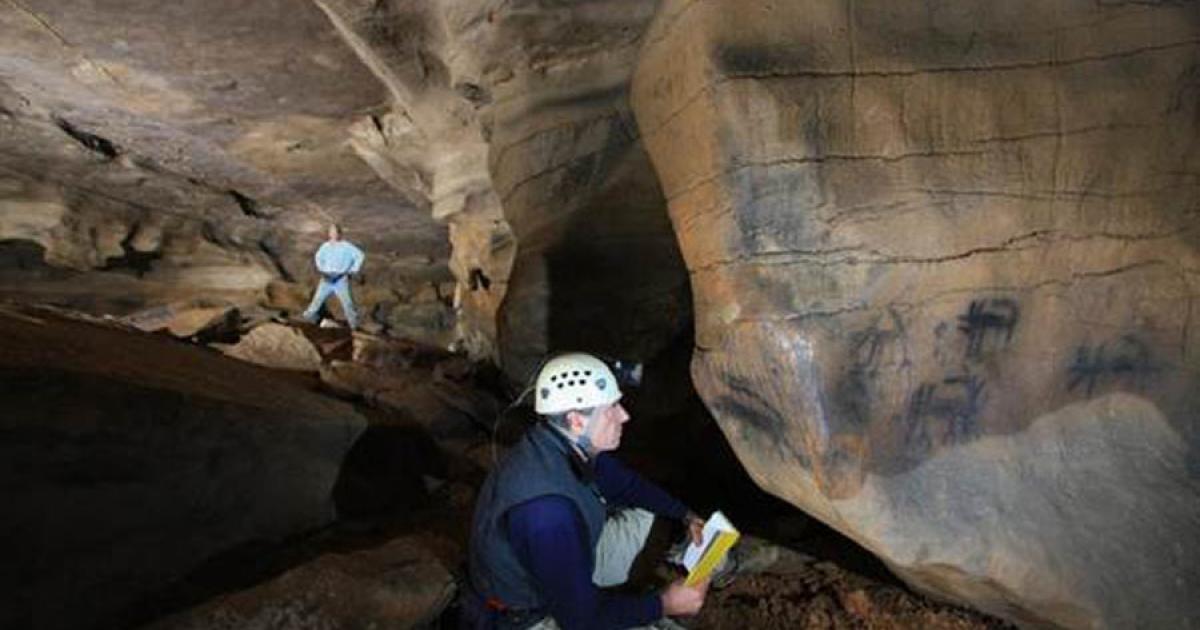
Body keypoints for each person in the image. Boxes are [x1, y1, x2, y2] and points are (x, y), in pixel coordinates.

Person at [462, 352, 710, 630]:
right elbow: (580, 620)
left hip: (561, 557)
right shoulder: (546, 512)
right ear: (577, 421)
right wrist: (665, 603)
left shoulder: (559, 443)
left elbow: (627, 484)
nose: (624, 416)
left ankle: (675, 562)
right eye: (611, 409)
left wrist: (685, 514)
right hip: (528, 614)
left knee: (650, 515)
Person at [302, 223, 364, 329]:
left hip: (340, 279)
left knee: (347, 303)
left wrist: (352, 270)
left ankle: (354, 326)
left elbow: (360, 255)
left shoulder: (347, 246)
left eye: (335, 232)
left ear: (339, 233)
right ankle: (311, 319)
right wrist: (321, 269)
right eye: (331, 232)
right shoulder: (325, 246)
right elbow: (318, 257)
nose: (333, 234)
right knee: (317, 301)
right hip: (326, 278)